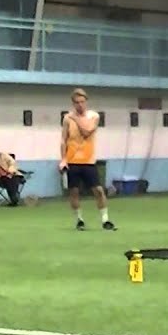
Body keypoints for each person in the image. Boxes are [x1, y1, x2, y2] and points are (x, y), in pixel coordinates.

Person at [60, 88, 116, 231]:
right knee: (74, 191)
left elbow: (86, 131)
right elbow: (63, 140)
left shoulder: (94, 116)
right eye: (77, 102)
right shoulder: (67, 119)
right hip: (72, 161)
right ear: (73, 103)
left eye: (82, 102)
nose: (80, 105)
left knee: (98, 190)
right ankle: (79, 220)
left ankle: (105, 220)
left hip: (89, 161)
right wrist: (63, 159)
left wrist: (75, 119)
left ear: (86, 102)